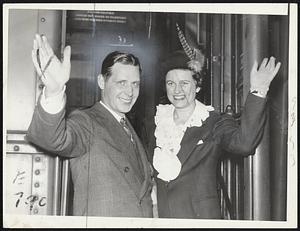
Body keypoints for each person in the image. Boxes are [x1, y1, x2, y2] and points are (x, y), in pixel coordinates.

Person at [26, 34, 154, 217]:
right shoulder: (87, 121)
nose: (130, 92)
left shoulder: (129, 127)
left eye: (135, 84)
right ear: (102, 81)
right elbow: (52, 139)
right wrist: (54, 92)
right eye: (122, 83)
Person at [150, 50, 281, 219]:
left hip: (199, 219)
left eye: (184, 83)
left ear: (197, 86)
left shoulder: (213, 120)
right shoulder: (159, 121)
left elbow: (244, 144)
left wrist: (258, 90)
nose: (177, 90)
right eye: (170, 83)